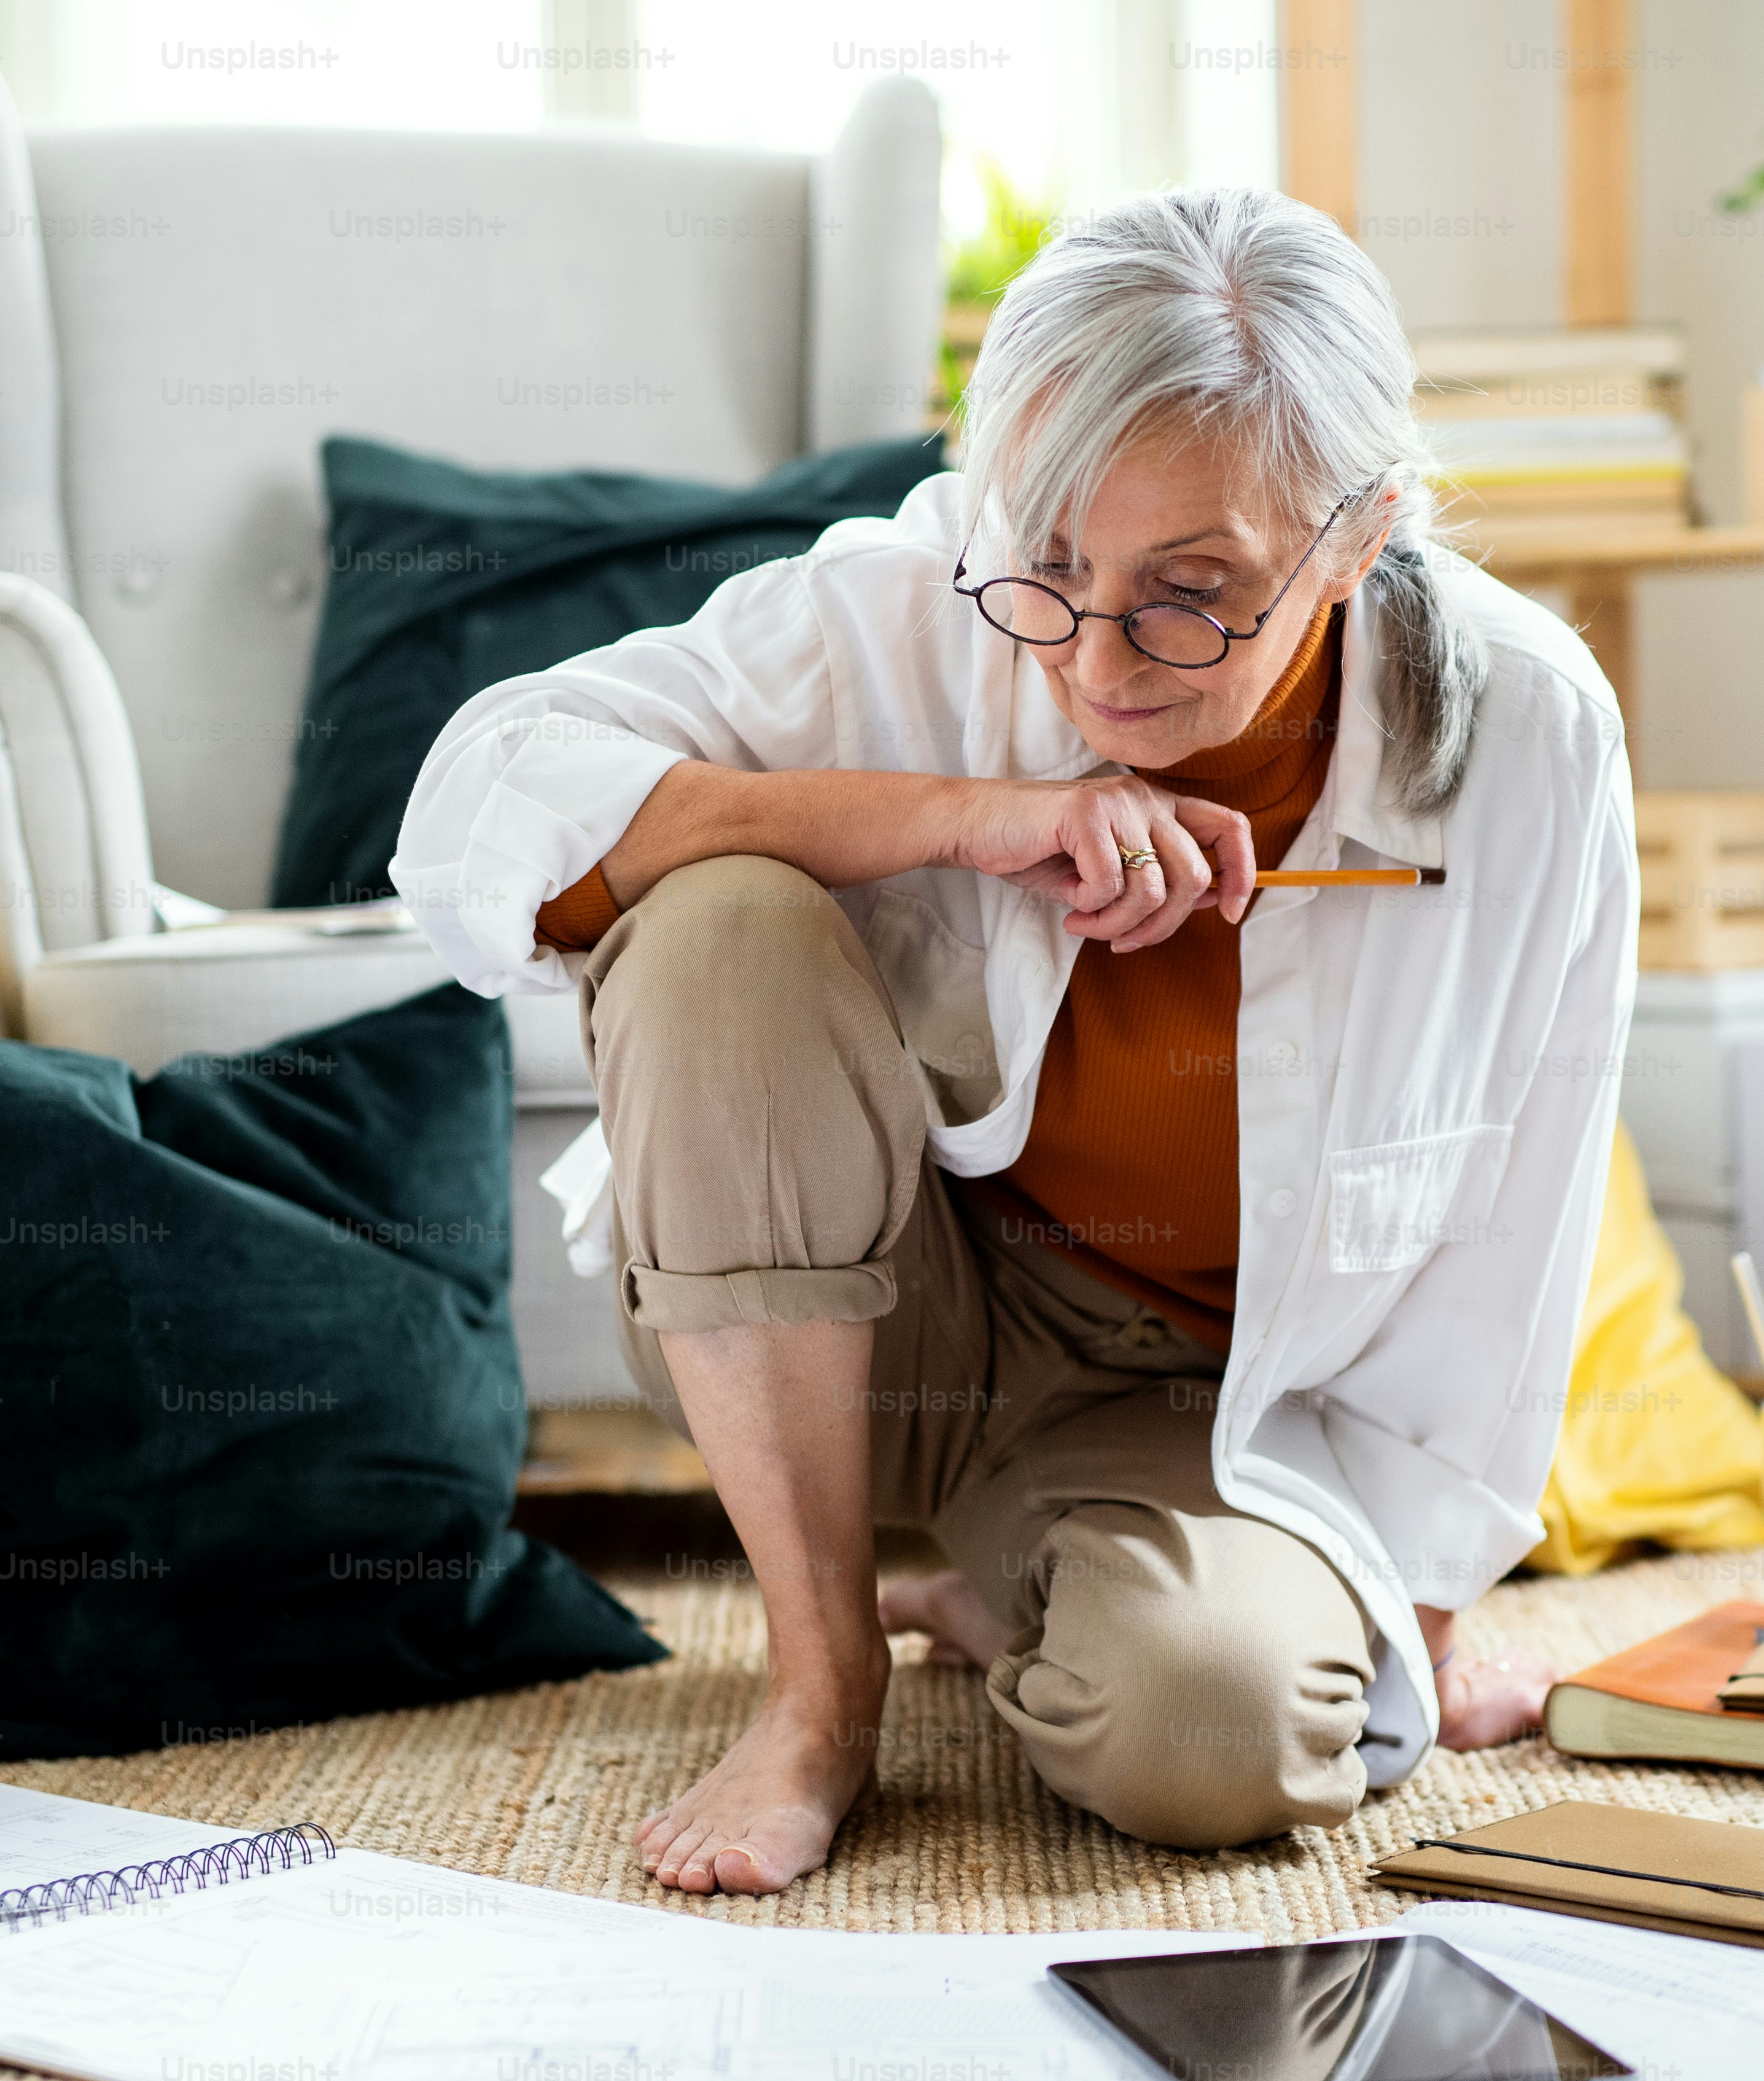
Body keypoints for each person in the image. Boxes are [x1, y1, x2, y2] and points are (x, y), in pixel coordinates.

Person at [395, 185, 1636, 1895]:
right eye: (1053, 564)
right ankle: (823, 1690)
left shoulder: (1533, 738)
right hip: (887, 1322)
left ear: (1363, 537)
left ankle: (1016, 1580)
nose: (1101, 658)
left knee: (1218, 1733)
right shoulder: (919, 599)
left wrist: (1399, 1632)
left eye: (1191, 592)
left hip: (1219, 1414)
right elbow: (481, 811)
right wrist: (958, 814)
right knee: (721, 916)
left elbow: (1523, 1227)